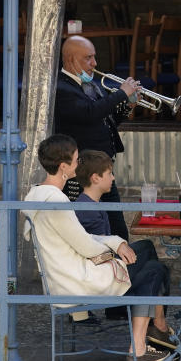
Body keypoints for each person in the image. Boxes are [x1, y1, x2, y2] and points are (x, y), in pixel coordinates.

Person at [22, 134, 171, 361]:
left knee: (144, 252)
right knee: (154, 269)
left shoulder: (39, 195)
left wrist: (116, 242)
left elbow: (81, 239)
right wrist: (115, 248)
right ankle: (140, 348)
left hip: (66, 274)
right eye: (75, 160)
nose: (78, 163)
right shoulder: (56, 201)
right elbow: (86, 246)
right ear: (63, 167)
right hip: (76, 280)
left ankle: (155, 329)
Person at [73, 149, 176, 348]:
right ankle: (158, 323)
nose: (113, 178)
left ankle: (155, 318)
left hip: (106, 263)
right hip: (102, 271)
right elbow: (91, 247)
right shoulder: (86, 209)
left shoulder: (90, 202)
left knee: (146, 246)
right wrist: (118, 250)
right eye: (109, 173)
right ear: (95, 178)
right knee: (157, 269)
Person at [54, 35, 140, 241]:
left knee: (117, 227)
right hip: (82, 175)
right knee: (86, 228)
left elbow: (104, 119)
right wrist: (121, 94)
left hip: (102, 170)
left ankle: (121, 267)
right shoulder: (62, 89)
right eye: (88, 58)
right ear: (70, 60)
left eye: (94, 57)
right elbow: (90, 112)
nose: (94, 63)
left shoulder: (90, 85)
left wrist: (127, 106)